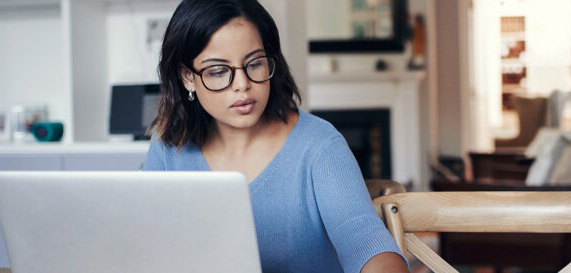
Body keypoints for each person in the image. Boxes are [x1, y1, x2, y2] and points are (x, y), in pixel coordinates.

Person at [143, 0, 409, 272]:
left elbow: (365, 242)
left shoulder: (319, 145)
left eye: (255, 63)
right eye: (219, 71)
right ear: (188, 77)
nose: (243, 85)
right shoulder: (168, 147)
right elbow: (145, 246)